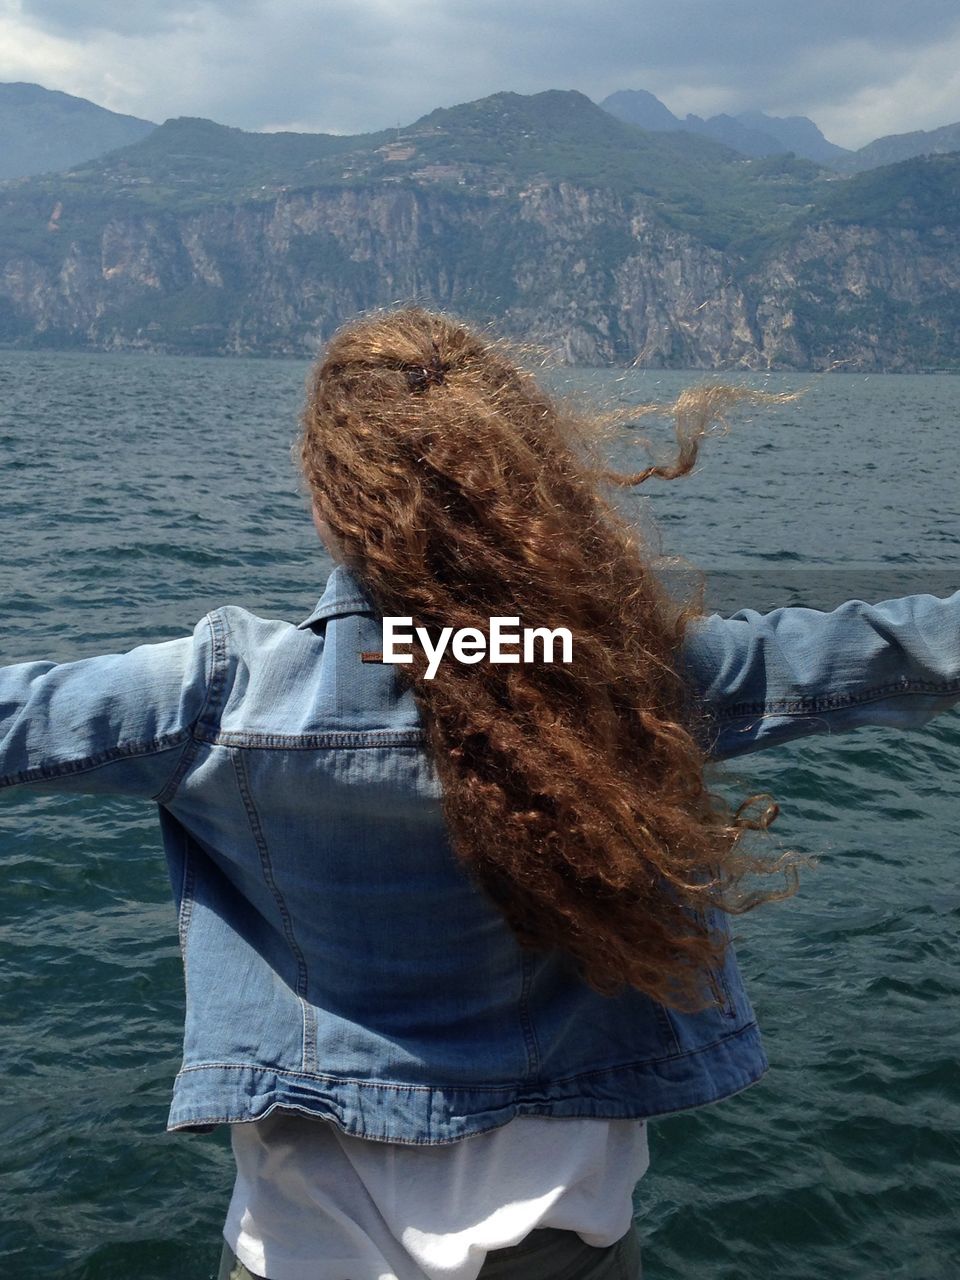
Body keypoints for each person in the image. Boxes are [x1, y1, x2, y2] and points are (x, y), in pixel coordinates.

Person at [2, 306, 959, 1280]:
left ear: (336, 493)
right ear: (522, 470)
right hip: (564, 1250)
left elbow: (21, 714)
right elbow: (882, 646)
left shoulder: (225, 696)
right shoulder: (622, 674)